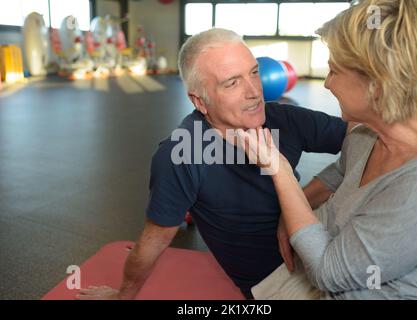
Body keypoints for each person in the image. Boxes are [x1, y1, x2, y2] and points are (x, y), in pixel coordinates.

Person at [76, 28, 348, 300]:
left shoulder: (283, 119)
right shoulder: (181, 153)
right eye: (232, 83)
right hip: (284, 280)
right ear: (200, 101)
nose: (254, 91)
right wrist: (122, 297)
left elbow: (370, 138)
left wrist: (309, 195)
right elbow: (153, 241)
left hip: (330, 246)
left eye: (254, 72)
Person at [238, 0, 417, 299]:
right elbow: (340, 172)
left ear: (378, 85)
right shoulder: (366, 133)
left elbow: (328, 273)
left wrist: (279, 170)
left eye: (334, 71)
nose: (326, 84)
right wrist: (291, 213)